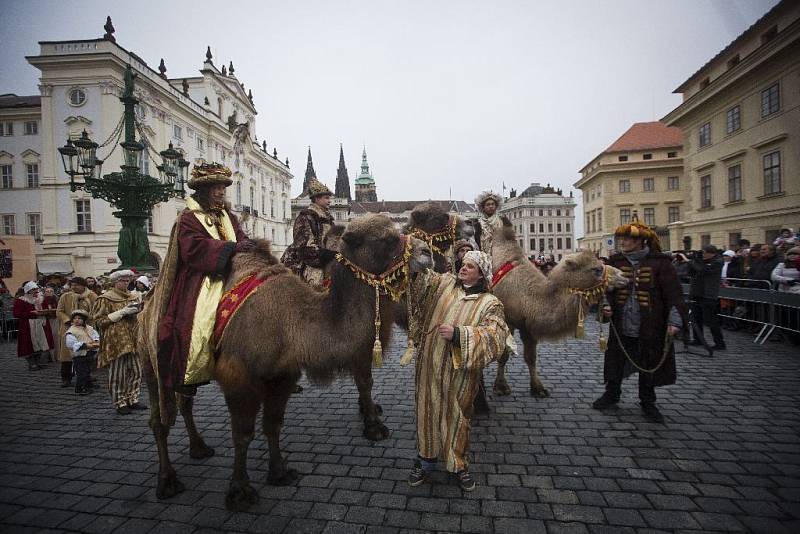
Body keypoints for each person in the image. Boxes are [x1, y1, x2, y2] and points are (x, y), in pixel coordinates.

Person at [408, 250, 509, 491]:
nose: (463, 269)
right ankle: (426, 461)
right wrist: (416, 260)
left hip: (460, 373)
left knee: (457, 415)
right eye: (463, 265)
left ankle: (458, 464)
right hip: (429, 366)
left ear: (482, 274)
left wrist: (459, 335)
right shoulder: (444, 285)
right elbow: (421, 280)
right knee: (427, 411)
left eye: (470, 267)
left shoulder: (490, 303)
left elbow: (496, 338)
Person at [155, 163, 251, 397]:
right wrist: (231, 249)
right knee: (198, 318)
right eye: (215, 187)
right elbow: (193, 248)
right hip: (203, 276)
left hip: (233, 270)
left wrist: (248, 245)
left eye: (222, 187)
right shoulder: (189, 218)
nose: (220, 191)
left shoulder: (228, 215)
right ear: (203, 190)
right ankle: (191, 371)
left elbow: (240, 237)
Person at [592, 217, 685, 424]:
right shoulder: (615, 262)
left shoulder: (661, 263)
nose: (623, 242)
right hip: (621, 322)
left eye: (628, 239)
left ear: (641, 241)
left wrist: (675, 322)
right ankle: (612, 393)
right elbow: (604, 290)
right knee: (616, 359)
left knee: (648, 360)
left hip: (651, 324)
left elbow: (674, 296)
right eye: (622, 238)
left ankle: (647, 401)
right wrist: (605, 305)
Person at [92, 269, 145, 415]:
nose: (126, 283)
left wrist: (137, 312)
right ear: (115, 282)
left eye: (128, 280)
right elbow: (97, 322)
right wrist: (121, 313)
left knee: (136, 371)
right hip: (116, 341)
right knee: (118, 374)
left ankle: (133, 399)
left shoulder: (133, 296)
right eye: (123, 280)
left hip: (134, 338)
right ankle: (120, 402)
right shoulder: (105, 298)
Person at [281, 179, 337, 288]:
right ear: (316, 198)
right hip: (306, 262)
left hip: (326, 259)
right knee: (316, 284)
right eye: (326, 198)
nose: (329, 201)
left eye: (329, 198)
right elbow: (304, 248)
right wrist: (326, 255)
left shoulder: (329, 219)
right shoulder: (305, 217)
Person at [679, 245, 725, 351]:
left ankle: (720, 343)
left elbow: (703, 270)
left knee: (711, 320)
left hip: (708, 294)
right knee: (696, 318)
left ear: (710, 252)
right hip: (697, 293)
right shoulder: (701, 261)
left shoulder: (718, 261)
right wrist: (694, 260)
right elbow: (691, 272)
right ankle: (698, 339)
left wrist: (688, 260)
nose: (703, 255)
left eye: (704, 253)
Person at [56, 277, 98, 388]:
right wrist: (68, 320)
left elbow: (97, 310)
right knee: (67, 355)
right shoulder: (65, 296)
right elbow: (59, 311)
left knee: (86, 354)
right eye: (72, 285)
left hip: (85, 329)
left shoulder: (92, 296)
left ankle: (87, 376)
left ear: (83, 285)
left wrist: (87, 319)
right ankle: (66, 378)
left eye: (77, 285)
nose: (74, 287)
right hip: (69, 328)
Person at [13, 282, 54, 371]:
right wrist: (31, 314)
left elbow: (46, 309)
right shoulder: (21, 300)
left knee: (44, 343)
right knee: (28, 344)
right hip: (27, 325)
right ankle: (32, 364)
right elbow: (16, 313)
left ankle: (41, 362)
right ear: (28, 291)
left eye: (37, 290)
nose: (36, 293)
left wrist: (46, 312)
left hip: (42, 324)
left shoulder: (42, 299)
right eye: (34, 291)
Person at [64, 309, 100, 396]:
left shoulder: (89, 328)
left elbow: (95, 336)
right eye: (75, 318)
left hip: (89, 353)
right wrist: (85, 345)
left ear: (84, 320)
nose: (77, 320)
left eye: (79, 318)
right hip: (79, 356)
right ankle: (80, 388)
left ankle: (88, 384)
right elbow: (70, 344)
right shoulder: (71, 331)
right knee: (81, 372)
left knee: (87, 370)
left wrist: (95, 341)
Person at [472, 191, 505, 256]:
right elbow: (475, 242)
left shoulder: (503, 222)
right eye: (488, 204)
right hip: (483, 256)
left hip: (500, 256)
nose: (491, 206)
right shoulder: (477, 224)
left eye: (493, 204)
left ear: (496, 206)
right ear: (483, 208)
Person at [41, 286, 60, 362]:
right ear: (44, 292)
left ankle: (57, 356)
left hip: (55, 320)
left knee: (56, 338)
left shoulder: (57, 300)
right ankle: (49, 357)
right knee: (47, 338)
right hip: (46, 320)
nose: (49, 292)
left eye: (51, 291)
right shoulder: (41, 300)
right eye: (47, 291)